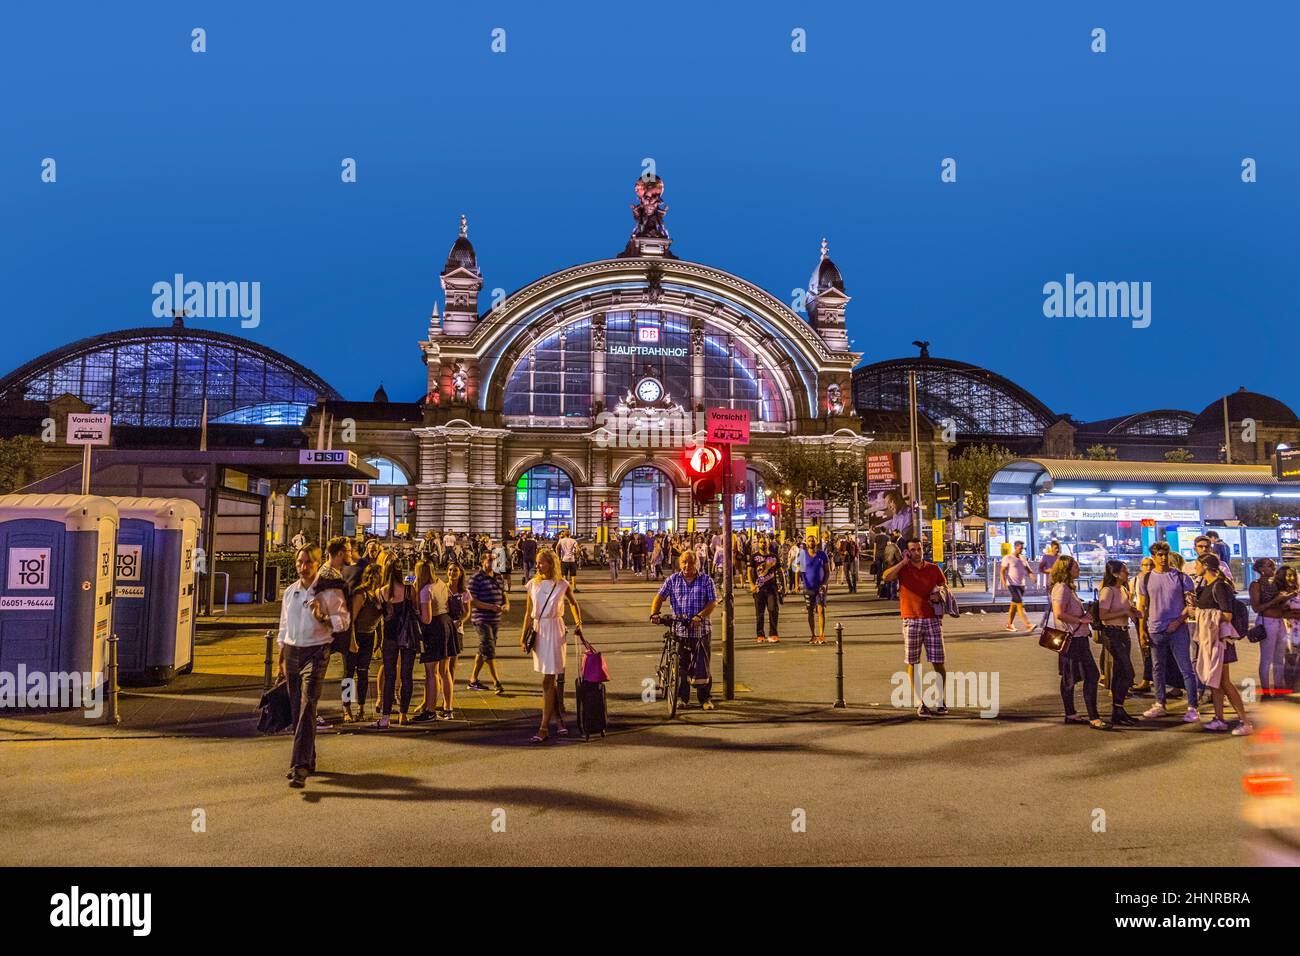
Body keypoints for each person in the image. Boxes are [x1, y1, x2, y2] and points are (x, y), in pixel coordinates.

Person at [276, 545, 350, 788]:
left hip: (317, 651)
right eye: (299, 562)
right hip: (293, 651)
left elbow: (343, 622)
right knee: (298, 710)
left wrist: (323, 618)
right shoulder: (290, 592)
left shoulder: (328, 592)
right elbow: (284, 627)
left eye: (308, 562)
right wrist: (281, 658)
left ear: (318, 563)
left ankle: (299, 766)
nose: (303, 567)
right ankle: (310, 758)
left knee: (308, 707)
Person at [521, 548, 583, 742]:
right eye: (537, 562)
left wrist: (578, 623)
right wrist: (523, 636)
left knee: (548, 679)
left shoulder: (562, 584)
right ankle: (558, 719)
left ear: (551, 564)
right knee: (550, 679)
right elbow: (528, 612)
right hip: (539, 632)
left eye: (542, 562)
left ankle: (544, 727)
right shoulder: (532, 584)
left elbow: (573, 603)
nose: (538, 566)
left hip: (555, 630)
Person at [882, 537, 948, 717]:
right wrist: (903, 562)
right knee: (913, 662)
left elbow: (944, 587)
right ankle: (920, 702)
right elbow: (886, 577)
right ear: (907, 552)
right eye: (913, 550)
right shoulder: (903, 569)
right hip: (911, 620)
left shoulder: (933, 569)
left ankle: (941, 699)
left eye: (920, 549)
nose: (917, 552)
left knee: (938, 662)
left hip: (932, 619)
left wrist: (939, 595)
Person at [650, 550, 718, 710]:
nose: (687, 565)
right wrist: (654, 613)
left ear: (697, 564)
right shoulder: (672, 580)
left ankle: (705, 698)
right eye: (684, 562)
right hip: (679, 631)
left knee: (702, 665)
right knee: (680, 667)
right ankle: (681, 697)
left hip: (701, 631)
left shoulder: (706, 580)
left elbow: (713, 602)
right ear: (680, 564)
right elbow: (659, 597)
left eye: (691, 562)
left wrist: (700, 616)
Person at [1191, 554, 1252, 735]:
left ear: (1205, 566)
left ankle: (1245, 721)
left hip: (1220, 641)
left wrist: (1200, 613)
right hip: (1211, 640)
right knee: (1215, 682)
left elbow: (1227, 615)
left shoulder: (1219, 586)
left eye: (1196, 564)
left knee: (1224, 682)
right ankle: (1219, 719)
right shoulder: (1207, 586)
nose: (1195, 568)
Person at [1048, 555, 1106, 729]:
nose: (1078, 570)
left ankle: (1072, 713)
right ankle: (1092, 717)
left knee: (1071, 677)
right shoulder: (1062, 589)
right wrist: (1081, 620)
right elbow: (1059, 613)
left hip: (1077, 638)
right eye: (1076, 567)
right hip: (1072, 640)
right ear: (1066, 569)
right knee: (1086, 676)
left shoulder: (1067, 588)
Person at [1097, 559, 1141, 725]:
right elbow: (1103, 616)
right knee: (1127, 672)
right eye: (1124, 570)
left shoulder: (1122, 589)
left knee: (1120, 672)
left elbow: (1125, 609)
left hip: (1123, 632)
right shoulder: (1108, 591)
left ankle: (1118, 709)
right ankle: (1118, 708)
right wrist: (1124, 611)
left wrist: (1132, 611)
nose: (1127, 572)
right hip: (1112, 633)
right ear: (1115, 573)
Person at [375, 561, 418, 728]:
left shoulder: (381, 592)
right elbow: (416, 610)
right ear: (401, 573)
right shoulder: (409, 590)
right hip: (407, 636)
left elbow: (380, 613)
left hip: (389, 637)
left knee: (390, 675)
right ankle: (403, 714)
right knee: (407, 675)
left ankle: (385, 716)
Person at [343, 562, 384, 723]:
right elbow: (351, 619)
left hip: (369, 635)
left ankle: (360, 708)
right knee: (348, 674)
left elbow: (380, 619)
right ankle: (346, 708)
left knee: (363, 672)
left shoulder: (378, 594)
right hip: (356, 635)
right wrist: (352, 641)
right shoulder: (361, 594)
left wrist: (379, 637)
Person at [413, 560, 453, 722]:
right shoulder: (441, 583)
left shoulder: (425, 590)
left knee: (431, 672)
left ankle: (430, 710)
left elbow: (427, 618)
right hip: (446, 624)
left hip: (434, 629)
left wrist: (416, 612)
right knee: (445, 670)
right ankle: (447, 707)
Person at [1248, 557, 1293, 697]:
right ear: (1261, 569)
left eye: (1273, 566)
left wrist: (1285, 600)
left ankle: (1279, 687)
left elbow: (1279, 604)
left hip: (1279, 621)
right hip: (1267, 621)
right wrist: (1277, 600)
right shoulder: (1256, 585)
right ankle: (1266, 691)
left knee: (1280, 657)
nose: (1273, 569)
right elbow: (1256, 608)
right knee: (1267, 658)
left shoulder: (1274, 584)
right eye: (1269, 566)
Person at [467, 551, 509, 694]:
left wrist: (505, 606)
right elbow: (472, 601)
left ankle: (473, 680)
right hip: (481, 619)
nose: (492, 562)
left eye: (494, 560)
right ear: (483, 562)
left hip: (495, 620)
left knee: (484, 649)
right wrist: (490, 606)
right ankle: (496, 682)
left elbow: (504, 595)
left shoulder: (498, 578)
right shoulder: (476, 578)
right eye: (489, 560)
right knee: (489, 649)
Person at [748, 535, 783, 644]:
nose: (763, 544)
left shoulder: (774, 556)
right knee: (760, 613)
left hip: (772, 588)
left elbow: (780, 571)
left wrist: (783, 586)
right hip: (759, 589)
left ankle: (773, 634)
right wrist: (752, 585)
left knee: (773, 611)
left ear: (768, 543)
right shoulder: (754, 557)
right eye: (761, 542)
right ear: (758, 543)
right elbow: (749, 571)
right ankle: (760, 635)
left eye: (765, 542)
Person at [446, 564, 471, 693]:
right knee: (443, 663)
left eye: (455, 570)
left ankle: (450, 689)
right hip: (444, 628)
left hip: (457, 629)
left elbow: (467, 612)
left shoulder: (464, 592)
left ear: (460, 573)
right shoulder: (443, 588)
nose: (452, 572)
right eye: (450, 570)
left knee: (452, 664)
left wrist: (461, 621)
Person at [999, 540, 1034, 632]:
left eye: (1022, 548)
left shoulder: (1023, 558)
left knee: (1014, 605)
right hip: (1012, 584)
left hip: (1021, 585)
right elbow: (1002, 570)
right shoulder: (1008, 557)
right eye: (1020, 548)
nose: (1021, 550)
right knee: (1020, 604)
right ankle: (1028, 624)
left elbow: (1028, 569)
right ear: (1015, 547)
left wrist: (1032, 576)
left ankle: (1009, 624)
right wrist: (1003, 581)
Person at [801, 534, 830, 644]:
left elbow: (827, 571)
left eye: (813, 541)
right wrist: (796, 584)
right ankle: (813, 635)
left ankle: (821, 635)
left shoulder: (822, 555)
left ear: (816, 542)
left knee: (821, 610)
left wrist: (824, 584)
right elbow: (800, 570)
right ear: (807, 543)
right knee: (810, 612)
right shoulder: (803, 555)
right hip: (808, 587)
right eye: (809, 541)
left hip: (820, 587)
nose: (811, 542)